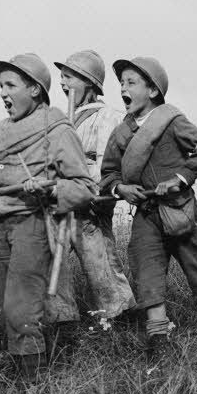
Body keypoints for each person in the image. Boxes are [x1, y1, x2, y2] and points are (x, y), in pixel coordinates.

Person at [0, 54, 95, 383]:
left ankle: (35, 386)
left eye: (10, 85)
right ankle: (20, 372)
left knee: (21, 308)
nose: (2, 92)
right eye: (0, 85)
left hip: (33, 224)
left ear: (35, 89)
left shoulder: (56, 127)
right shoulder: (1, 129)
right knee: (4, 307)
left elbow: (83, 187)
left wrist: (49, 189)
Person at [100, 56, 197, 351]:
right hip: (146, 215)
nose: (123, 88)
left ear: (153, 91)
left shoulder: (172, 121)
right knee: (147, 274)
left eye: (131, 82)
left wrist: (180, 178)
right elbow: (108, 173)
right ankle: (159, 341)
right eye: (121, 83)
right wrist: (122, 188)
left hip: (180, 211)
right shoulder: (121, 133)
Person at [53, 50, 135, 325]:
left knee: (101, 266)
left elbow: (106, 163)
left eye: (69, 77)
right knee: (52, 267)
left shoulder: (106, 117)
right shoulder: (61, 122)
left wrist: (94, 195)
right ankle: (62, 324)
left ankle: (122, 321)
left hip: (90, 205)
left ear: (89, 81)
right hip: (61, 203)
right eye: (61, 77)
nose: (63, 83)